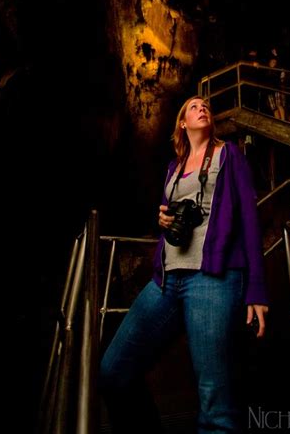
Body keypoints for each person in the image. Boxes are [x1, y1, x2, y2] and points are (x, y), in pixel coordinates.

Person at [100, 96, 269, 434]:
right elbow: (167, 216)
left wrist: (256, 289)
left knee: (215, 405)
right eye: (193, 106)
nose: (201, 107)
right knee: (113, 371)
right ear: (182, 123)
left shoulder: (229, 155)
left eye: (205, 105)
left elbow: (250, 220)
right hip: (165, 281)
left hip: (213, 280)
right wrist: (162, 218)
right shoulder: (173, 168)